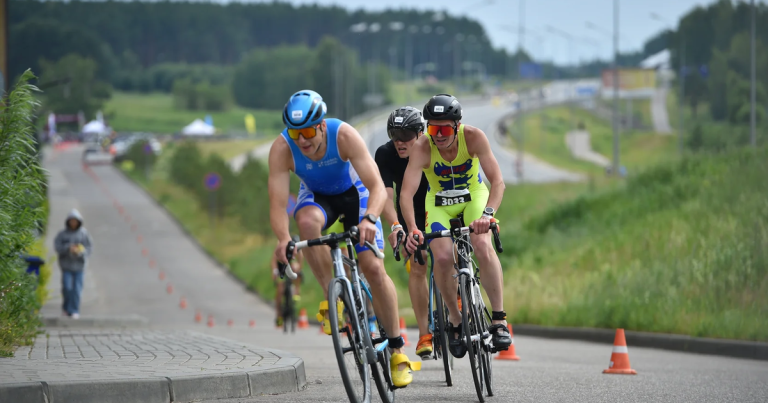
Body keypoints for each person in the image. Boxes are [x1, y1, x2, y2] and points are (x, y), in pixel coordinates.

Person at [268, 90, 419, 387]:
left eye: (308, 132)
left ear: (322, 125)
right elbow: (277, 204)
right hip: (318, 197)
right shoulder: (282, 148)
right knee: (305, 221)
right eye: (295, 133)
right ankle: (333, 298)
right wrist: (283, 238)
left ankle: (397, 350)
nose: (302, 141)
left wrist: (370, 219)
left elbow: (377, 187)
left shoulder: (344, 135)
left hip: (357, 194)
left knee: (372, 268)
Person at [400, 94, 512, 358]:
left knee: (482, 245)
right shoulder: (422, 147)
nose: (438, 136)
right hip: (439, 203)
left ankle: (498, 319)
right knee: (441, 257)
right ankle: (455, 317)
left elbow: (498, 182)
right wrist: (413, 228)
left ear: (457, 126)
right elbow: (406, 193)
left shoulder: (473, 137)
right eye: (432, 129)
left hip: (473, 197)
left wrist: (488, 215)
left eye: (444, 130)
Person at [374, 106, 433, 359]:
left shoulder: (433, 147)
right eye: (394, 135)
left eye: (406, 135)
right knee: (418, 264)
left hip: (438, 204)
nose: (399, 142)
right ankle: (425, 334)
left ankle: (458, 294)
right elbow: (386, 195)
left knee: (449, 253)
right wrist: (396, 225)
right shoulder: (385, 154)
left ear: (420, 134)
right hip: (409, 211)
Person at [53, 209, 93, 319]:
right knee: (67, 288)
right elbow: (57, 246)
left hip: (79, 266)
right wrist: (68, 248)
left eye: (75, 221)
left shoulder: (84, 234)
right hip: (66, 266)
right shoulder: (62, 234)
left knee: (77, 289)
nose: (73, 223)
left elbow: (89, 248)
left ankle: (74, 310)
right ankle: (66, 308)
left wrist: (80, 251)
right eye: (72, 221)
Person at [271, 234, 304, 327]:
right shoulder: (280, 244)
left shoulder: (297, 247)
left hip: (291, 264)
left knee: (296, 271)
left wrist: (298, 268)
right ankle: (279, 315)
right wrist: (274, 271)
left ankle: (296, 291)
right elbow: (273, 260)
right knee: (280, 290)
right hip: (281, 266)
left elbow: (301, 260)